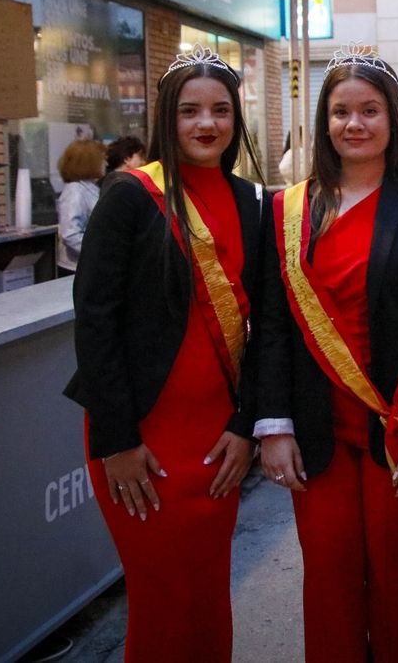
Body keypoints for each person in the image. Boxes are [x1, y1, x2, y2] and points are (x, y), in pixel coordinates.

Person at [256, 45, 398, 663]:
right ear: (324, 123)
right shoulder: (288, 211)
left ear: (392, 120)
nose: (355, 124)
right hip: (316, 430)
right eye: (341, 111)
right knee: (329, 578)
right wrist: (272, 425)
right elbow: (270, 327)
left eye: (370, 110)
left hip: (397, 424)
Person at [66, 47, 268, 663]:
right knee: (161, 600)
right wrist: (116, 440)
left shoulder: (251, 203)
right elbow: (94, 321)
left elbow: (269, 327)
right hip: (141, 440)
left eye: (220, 110)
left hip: (219, 441)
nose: (206, 124)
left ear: (236, 119)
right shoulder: (129, 197)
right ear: (165, 120)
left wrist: (246, 428)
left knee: (209, 596)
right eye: (189, 111)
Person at [56, 139, 105, 275]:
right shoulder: (75, 191)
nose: (105, 163)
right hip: (76, 268)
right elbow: (70, 234)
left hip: (89, 264)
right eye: (101, 159)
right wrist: (101, 250)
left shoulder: (91, 188)